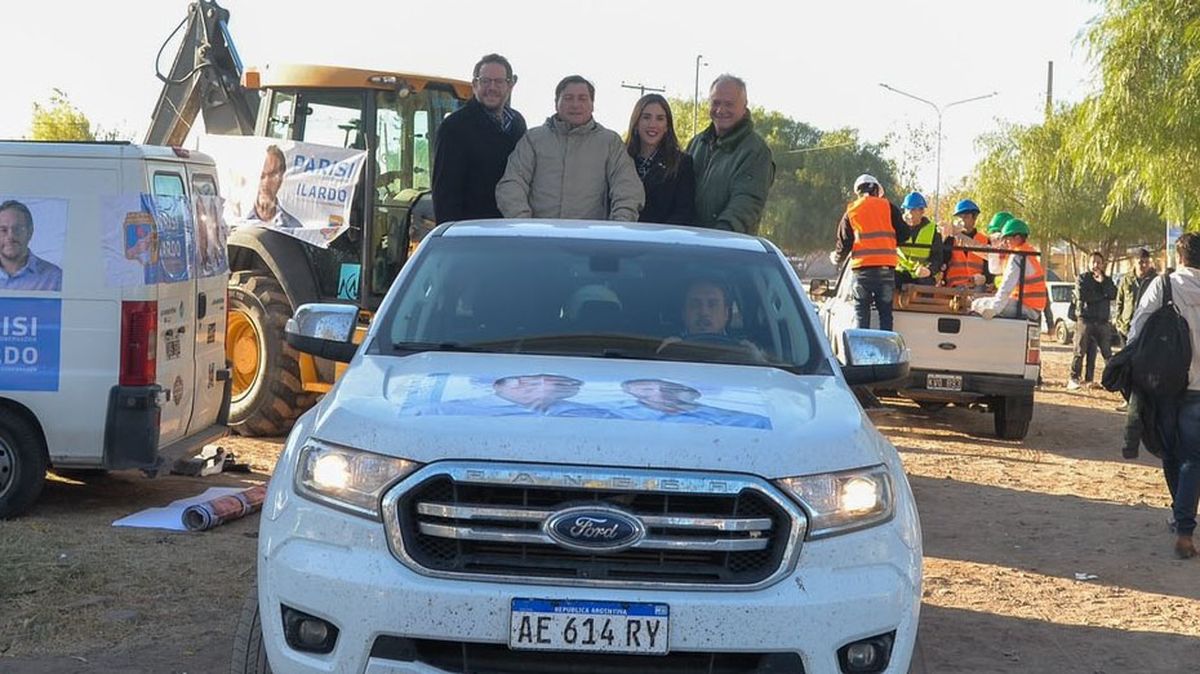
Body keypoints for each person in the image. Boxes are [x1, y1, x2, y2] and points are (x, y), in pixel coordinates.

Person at [1127, 233, 1200, 558]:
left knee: (1174, 454)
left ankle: (1183, 526)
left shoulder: (1163, 285)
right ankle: (1182, 522)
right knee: (1192, 456)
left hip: (1168, 386)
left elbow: (1138, 326)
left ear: (1179, 256)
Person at [496, 75, 643, 221]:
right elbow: (512, 183)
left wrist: (618, 226)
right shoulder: (533, 140)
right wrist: (524, 224)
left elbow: (628, 189)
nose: (575, 104)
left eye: (582, 98)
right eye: (568, 98)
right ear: (556, 103)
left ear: (592, 104)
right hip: (539, 237)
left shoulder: (610, 143)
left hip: (590, 239)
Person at [432, 53, 527, 224]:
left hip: (511, 227)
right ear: (475, 84)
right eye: (485, 81)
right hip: (473, 231)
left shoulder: (517, 124)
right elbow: (445, 193)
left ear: (510, 85)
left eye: (499, 81)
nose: (492, 87)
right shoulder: (454, 127)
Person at [687, 75, 775, 234]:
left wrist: (720, 236)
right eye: (716, 103)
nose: (721, 110)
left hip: (729, 247)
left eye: (729, 104)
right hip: (690, 244)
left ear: (744, 106)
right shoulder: (696, 144)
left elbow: (746, 204)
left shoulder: (755, 151)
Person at [832, 174, 910, 331]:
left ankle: (861, 353)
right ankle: (886, 352)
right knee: (885, 315)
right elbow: (904, 234)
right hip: (886, 271)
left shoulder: (852, 210)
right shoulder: (888, 207)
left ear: (858, 192)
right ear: (876, 189)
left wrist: (836, 258)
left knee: (862, 315)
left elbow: (844, 242)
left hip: (862, 273)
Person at [624, 94, 695, 224]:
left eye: (660, 119)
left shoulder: (682, 163)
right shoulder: (620, 158)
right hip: (624, 237)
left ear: (667, 126)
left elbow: (684, 212)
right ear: (636, 123)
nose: (653, 124)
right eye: (646, 117)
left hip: (663, 240)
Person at [413, 373, 616, 418]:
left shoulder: (602, 415)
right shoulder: (439, 411)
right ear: (499, 384)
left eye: (566, 383)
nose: (544, 385)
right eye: (533, 379)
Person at [614, 378, 771, 429]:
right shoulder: (608, 412)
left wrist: (759, 358)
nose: (661, 392)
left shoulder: (753, 420)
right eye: (646, 390)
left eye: (712, 304)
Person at [970, 218, 1046, 321]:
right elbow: (996, 270)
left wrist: (995, 309)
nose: (1005, 242)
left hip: (1025, 307)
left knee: (976, 304)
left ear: (1018, 238)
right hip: (1031, 307)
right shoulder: (1027, 252)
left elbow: (1007, 286)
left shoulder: (1017, 256)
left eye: (1007, 238)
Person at [1068, 251, 1118, 391]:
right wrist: (1103, 295)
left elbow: (1113, 293)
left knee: (1107, 353)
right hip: (1085, 319)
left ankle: (1110, 380)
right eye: (1093, 262)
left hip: (1102, 321)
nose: (1096, 265)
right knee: (1080, 350)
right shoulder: (1082, 279)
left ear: (1103, 265)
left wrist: (1102, 284)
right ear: (1089, 264)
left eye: (1098, 262)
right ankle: (1074, 378)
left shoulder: (1107, 280)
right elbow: (1084, 295)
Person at [0, 200, 63, 291]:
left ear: (30, 232)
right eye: (3, 230)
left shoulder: (54, 278)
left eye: (17, 229)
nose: (10, 236)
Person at [246, 145, 302, 229]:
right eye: (262, 175)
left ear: (281, 179)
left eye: (272, 175)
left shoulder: (293, 227)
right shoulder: (237, 219)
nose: (266, 182)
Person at [895, 191, 944, 287]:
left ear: (922, 211)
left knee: (926, 285)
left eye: (913, 210)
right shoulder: (897, 227)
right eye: (907, 209)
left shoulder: (932, 230)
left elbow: (937, 257)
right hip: (900, 273)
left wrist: (929, 270)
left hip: (922, 274)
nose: (909, 213)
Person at [943, 199, 991, 289]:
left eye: (966, 216)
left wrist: (985, 278)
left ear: (974, 218)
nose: (962, 220)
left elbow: (991, 267)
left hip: (978, 286)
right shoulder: (950, 239)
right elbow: (942, 261)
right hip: (955, 285)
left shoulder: (984, 240)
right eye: (960, 217)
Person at [1115, 248, 1157, 339]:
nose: (1144, 265)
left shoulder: (1155, 281)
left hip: (1146, 329)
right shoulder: (1126, 279)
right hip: (1126, 328)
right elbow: (1119, 301)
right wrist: (1119, 322)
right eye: (1140, 262)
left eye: (1147, 262)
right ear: (1134, 262)